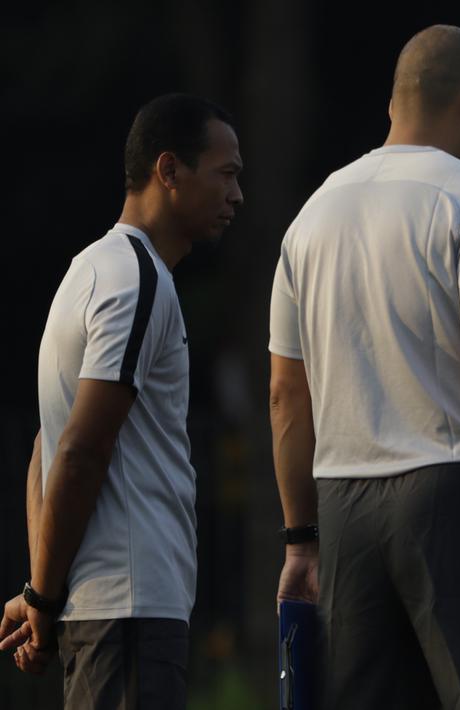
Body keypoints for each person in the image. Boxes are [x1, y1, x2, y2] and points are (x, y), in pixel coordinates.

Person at [267, 25, 460, 709]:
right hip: (455, 493)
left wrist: (301, 541)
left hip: (341, 501)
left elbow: (285, 394)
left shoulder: (311, 215)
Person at [0, 93, 244, 709]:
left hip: (104, 611)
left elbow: (47, 446)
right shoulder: (137, 278)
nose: (237, 195)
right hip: (130, 610)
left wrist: (41, 590)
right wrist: (42, 596)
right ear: (169, 170)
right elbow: (79, 451)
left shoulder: (86, 271)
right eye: (226, 174)